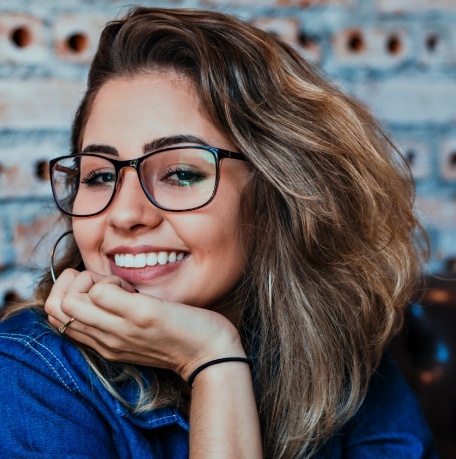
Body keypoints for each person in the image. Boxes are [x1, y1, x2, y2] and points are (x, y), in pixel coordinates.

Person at [0, 6, 439, 459]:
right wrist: (214, 364)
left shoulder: (338, 353)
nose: (125, 214)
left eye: (181, 173)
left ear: (279, 193)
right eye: (99, 176)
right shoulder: (29, 374)